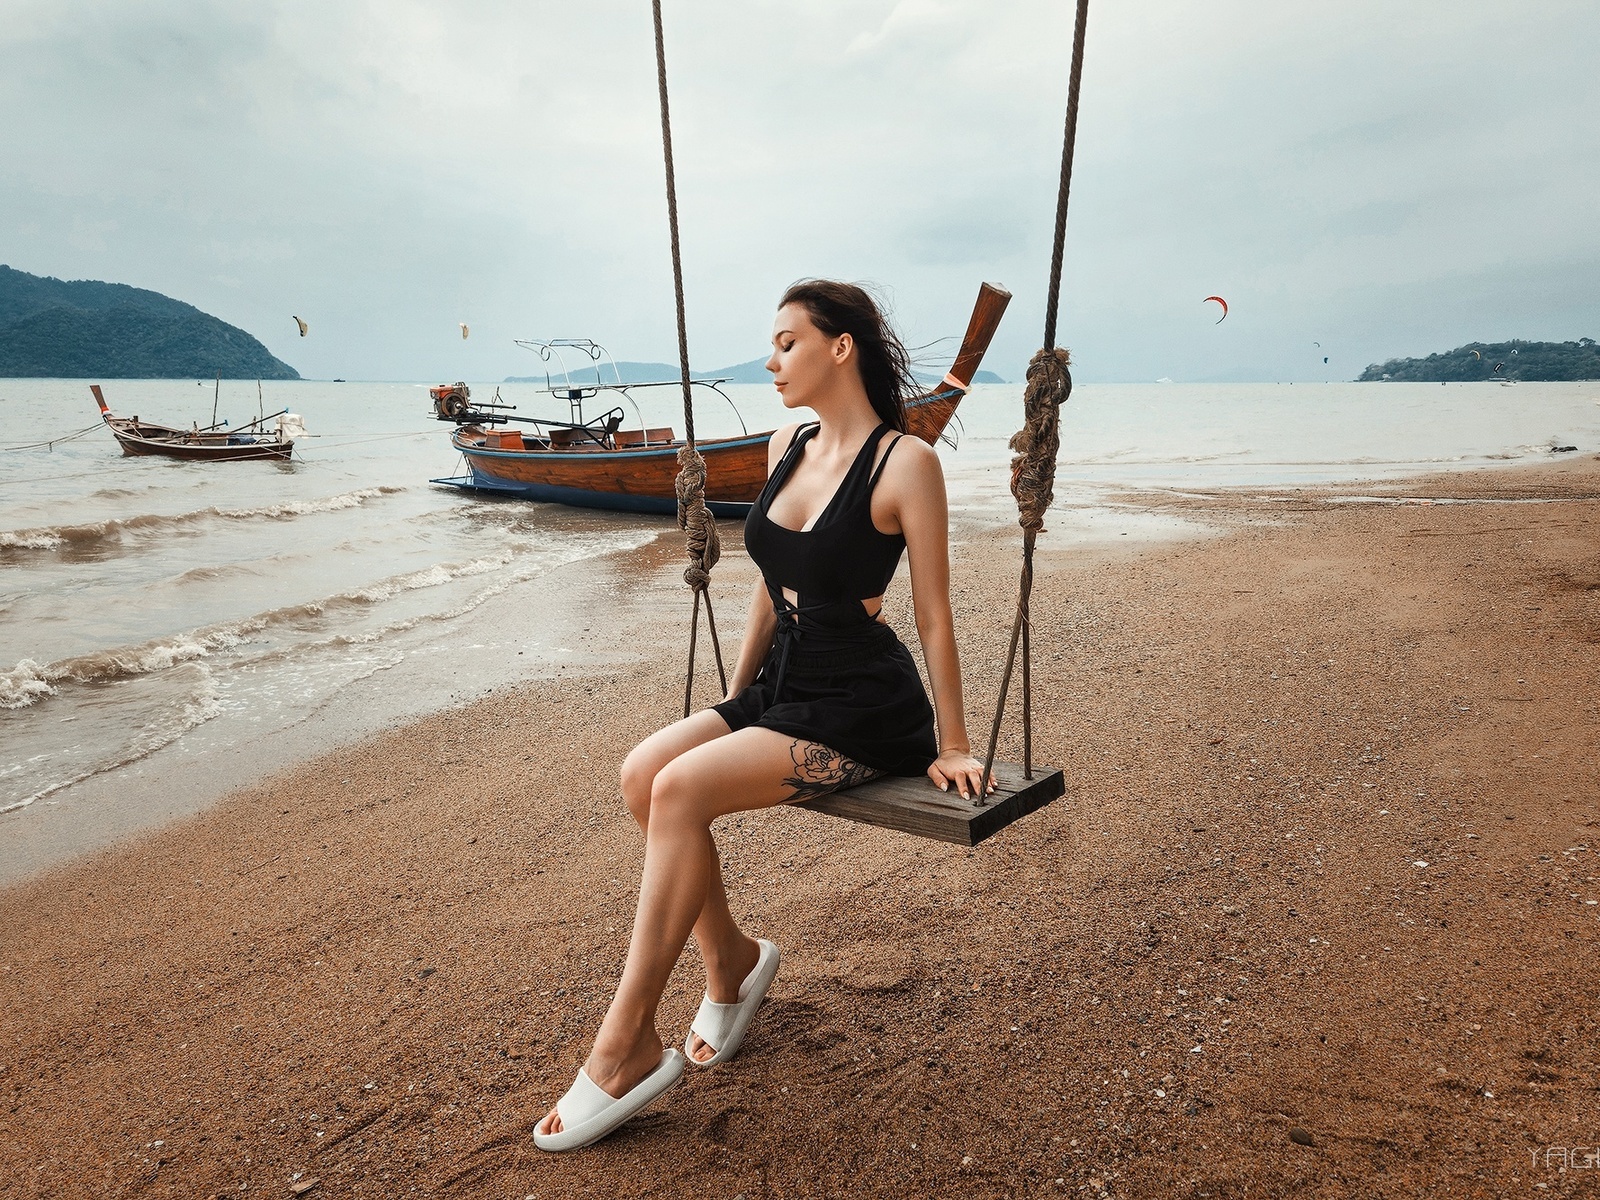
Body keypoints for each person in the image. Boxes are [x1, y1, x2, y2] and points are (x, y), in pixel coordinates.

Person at [535, 279, 993, 1151]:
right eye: (773, 346)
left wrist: (956, 744)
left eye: (787, 342)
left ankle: (624, 1044)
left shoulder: (906, 464)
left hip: (861, 702)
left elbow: (933, 611)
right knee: (646, 776)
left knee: (678, 794)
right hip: (784, 682)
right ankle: (734, 964)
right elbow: (765, 585)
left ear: (841, 348)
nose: (773, 361)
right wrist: (735, 706)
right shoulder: (790, 441)